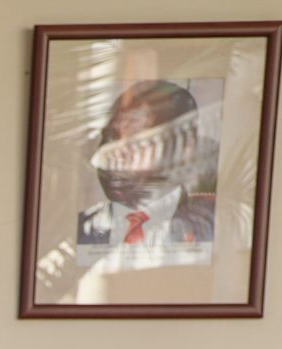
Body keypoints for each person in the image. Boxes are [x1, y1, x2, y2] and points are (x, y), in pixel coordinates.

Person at [77, 80, 216, 247]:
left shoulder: (214, 223)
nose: (116, 155)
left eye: (137, 139)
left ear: (185, 146)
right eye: (112, 137)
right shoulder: (82, 229)